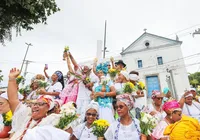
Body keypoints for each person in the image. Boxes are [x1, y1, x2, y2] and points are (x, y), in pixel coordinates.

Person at [7, 68, 61, 140]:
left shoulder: (51, 121)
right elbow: (13, 100)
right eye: (35, 104)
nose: (35, 106)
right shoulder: (26, 115)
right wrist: (12, 79)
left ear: (48, 108)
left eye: (41, 104)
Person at [68, 52, 98, 121]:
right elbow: (75, 65)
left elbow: (93, 87)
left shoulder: (93, 76)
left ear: (90, 69)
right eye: (84, 68)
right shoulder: (80, 75)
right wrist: (70, 55)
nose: (85, 69)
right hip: (80, 96)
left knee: (84, 113)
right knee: (77, 112)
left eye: (86, 68)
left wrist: (89, 84)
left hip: (87, 97)